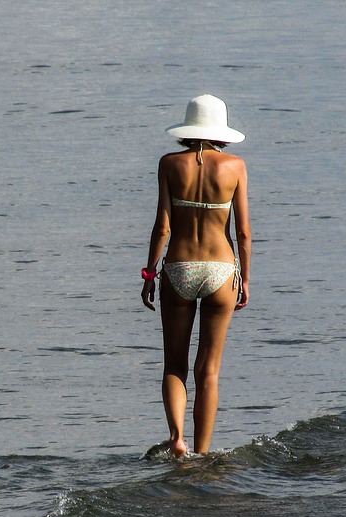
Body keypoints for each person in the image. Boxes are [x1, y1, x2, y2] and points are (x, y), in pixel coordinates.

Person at [140, 95, 252, 458]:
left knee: (175, 364)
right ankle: (202, 455)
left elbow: (162, 227)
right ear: (221, 131)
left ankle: (177, 439)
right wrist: (245, 279)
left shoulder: (169, 164)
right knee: (210, 371)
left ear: (187, 130)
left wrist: (149, 272)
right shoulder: (236, 166)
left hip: (179, 268)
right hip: (222, 271)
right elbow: (245, 233)